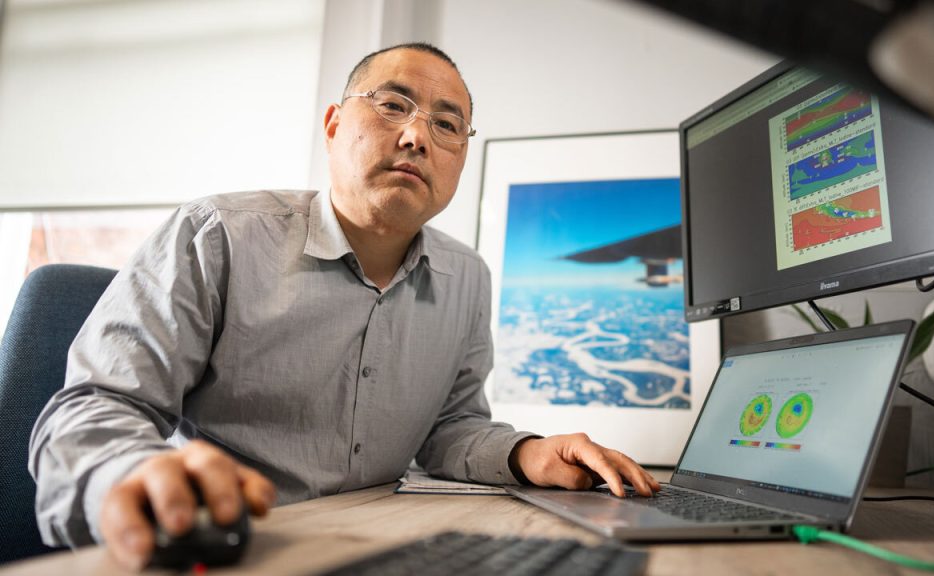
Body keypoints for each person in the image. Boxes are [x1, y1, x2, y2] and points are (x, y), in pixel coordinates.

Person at [28, 43, 659, 570]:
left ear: (460, 156)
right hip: (242, 543)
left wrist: (528, 453)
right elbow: (97, 405)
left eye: (446, 125)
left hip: (379, 542)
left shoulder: (468, 277)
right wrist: (127, 473)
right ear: (334, 124)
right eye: (392, 106)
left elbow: (449, 429)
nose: (416, 136)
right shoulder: (215, 234)